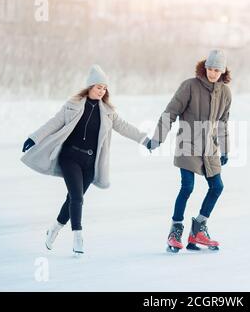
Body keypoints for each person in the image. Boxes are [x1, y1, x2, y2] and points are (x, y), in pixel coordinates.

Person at [21, 65, 150, 255]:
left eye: (104, 88)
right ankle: (78, 236)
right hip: (70, 157)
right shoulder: (72, 106)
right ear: (89, 87)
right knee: (77, 197)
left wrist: (145, 140)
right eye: (98, 87)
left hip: (90, 164)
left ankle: (55, 228)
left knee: (72, 199)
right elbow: (53, 123)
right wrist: (34, 137)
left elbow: (124, 127)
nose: (102, 91)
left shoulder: (107, 112)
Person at [145, 50, 232, 252]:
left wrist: (225, 149)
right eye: (210, 68)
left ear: (223, 71)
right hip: (188, 144)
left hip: (209, 148)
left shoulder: (225, 93)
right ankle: (175, 230)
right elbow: (171, 112)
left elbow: (222, 123)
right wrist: (158, 137)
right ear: (205, 67)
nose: (212, 73)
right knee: (187, 187)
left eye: (216, 70)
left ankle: (198, 229)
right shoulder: (189, 86)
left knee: (217, 187)